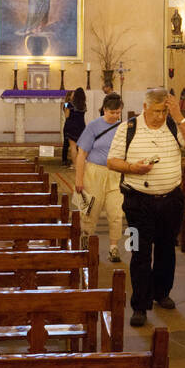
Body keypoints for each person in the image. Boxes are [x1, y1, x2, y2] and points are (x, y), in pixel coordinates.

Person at [106, 87, 185, 327]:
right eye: (157, 111)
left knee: (166, 249)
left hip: (171, 201)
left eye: (164, 111)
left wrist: (179, 116)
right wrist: (133, 168)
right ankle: (140, 304)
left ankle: (161, 293)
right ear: (145, 107)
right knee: (139, 252)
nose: (160, 116)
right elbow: (112, 161)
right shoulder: (128, 128)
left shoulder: (173, 125)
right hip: (138, 202)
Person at [73, 93, 125, 263]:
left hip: (115, 174)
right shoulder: (93, 126)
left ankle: (113, 248)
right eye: (112, 113)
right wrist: (79, 179)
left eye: (118, 113)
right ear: (104, 109)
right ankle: (86, 241)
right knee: (90, 210)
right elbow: (81, 154)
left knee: (116, 212)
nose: (116, 116)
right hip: (94, 173)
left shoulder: (123, 128)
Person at [61, 87, 86, 165]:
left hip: (71, 126)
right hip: (81, 126)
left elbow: (67, 116)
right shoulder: (84, 105)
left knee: (73, 147)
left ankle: (75, 165)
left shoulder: (69, 104)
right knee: (79, 147)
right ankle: (79, 163)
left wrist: (66, 103)